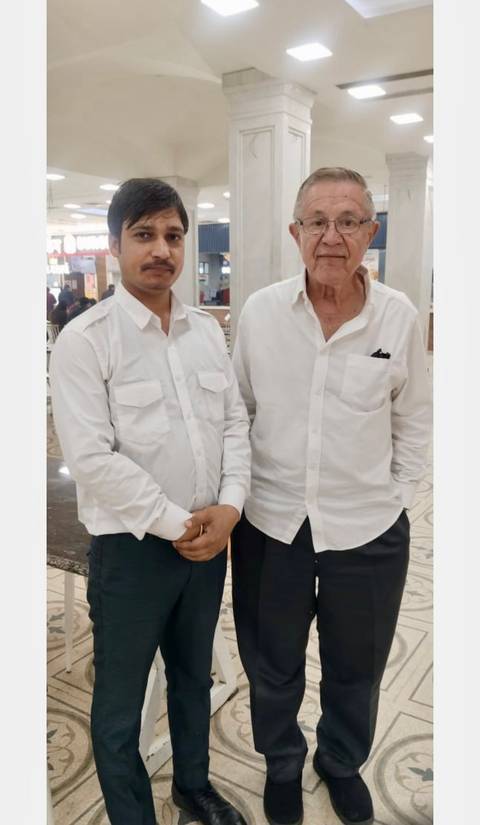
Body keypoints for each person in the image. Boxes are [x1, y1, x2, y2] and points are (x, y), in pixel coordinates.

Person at [231, 167, 431, 825]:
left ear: (371, 232)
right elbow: (239, 410)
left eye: (348, 220)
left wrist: (393, 497)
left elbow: (416, 419)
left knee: (357, 668)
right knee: (272, 665)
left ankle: (339, 762)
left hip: (369, 532)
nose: (331, 236)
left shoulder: (398, 317)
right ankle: (283, 763)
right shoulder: (260, 312)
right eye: (317, 221)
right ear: (295, 232)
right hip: (272, 525)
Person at [50, 177, 251, 825]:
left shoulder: (204, 331)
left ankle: (194, 786)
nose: (160, 249)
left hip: (207, 545)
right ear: (114, 246)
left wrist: (231, 505)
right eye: (144, 234)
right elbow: (93, 458)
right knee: (119, 704)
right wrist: (180, 522)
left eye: (172, 235)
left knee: (194, 679)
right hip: (133, 553)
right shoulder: (86, 339)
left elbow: (232, 426)